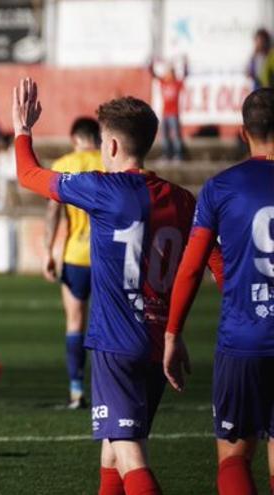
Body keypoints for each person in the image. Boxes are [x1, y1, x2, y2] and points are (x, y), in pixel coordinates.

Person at [12, 78, 222, 495]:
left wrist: (22, 130)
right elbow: (215, 262)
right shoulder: (183, 200)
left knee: (128, 452)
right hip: (159, 342)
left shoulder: (102, 189)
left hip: (116, 343)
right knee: (111, 449)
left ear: (109, 146)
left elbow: (28, 174)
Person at [164, 88, 274, 495]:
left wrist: (172, 334)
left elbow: (192, 267)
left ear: (243, 133)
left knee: (233, 458)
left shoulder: (220, 188)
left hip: (242, 340)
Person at [42, 117, 104, 409]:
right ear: (98, 137)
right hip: (109, 257)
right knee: (110, 325)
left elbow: (53, 212)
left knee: (75, 322)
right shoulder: (110, 161)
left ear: (75, 138)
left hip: (75, 255)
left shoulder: (63, 164)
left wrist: (48, 251)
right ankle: (109, 394)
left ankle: (77, 391)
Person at [150, 58, 187, 162]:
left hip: (174, 113)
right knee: (165, 137)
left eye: (170, 72)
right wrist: (151, 62)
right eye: (167, 72)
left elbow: (186, 74)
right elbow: (153, 74)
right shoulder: (163, 82)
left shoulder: (177, 83)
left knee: (176, 136)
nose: (168, 74)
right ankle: (166, 155)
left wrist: (185, 64)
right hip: (165, 113)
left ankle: (178, 155)